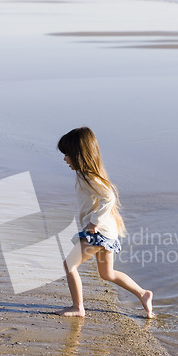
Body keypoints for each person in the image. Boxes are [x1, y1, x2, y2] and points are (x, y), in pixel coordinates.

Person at [56, 127, 154, 319]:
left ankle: (78, 307)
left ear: (78, 155)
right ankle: (143, 294)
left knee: (69, 265)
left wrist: (94, 222)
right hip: (107, 232)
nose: (64, 159)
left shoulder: (88, 177)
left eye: (67, 154)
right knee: (107, 274)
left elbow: (108, 197)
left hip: (98, 233)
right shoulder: (89, 174)